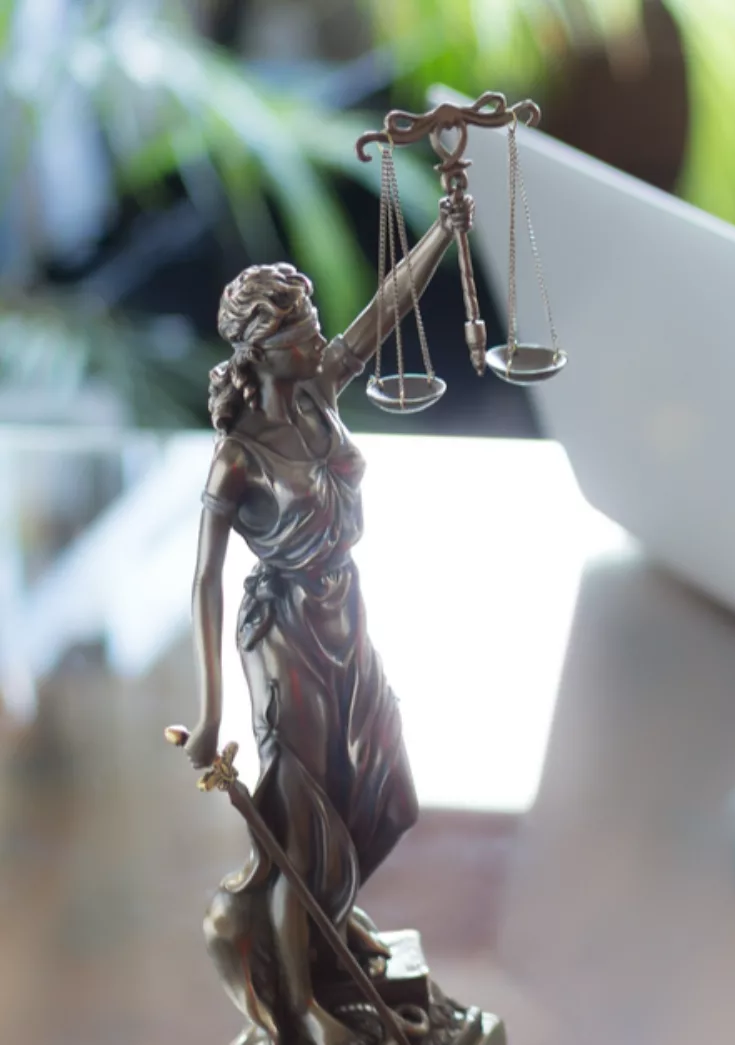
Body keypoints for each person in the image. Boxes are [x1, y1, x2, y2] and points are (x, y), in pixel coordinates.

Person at [183, 195, 472, 1043]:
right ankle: (302, 1011)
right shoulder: (239, 454)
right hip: (286, 638)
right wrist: (209, 714)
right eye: (303, 331)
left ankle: (329, 928)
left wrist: (442, 233)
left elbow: (382, 316)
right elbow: (203, 575)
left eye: (313, 324)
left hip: (348, 617)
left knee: (388, 795)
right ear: (262, 350)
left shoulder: (317, 392)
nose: (319, 338)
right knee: (301, 836)